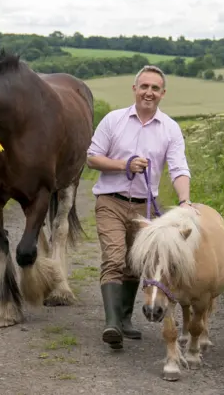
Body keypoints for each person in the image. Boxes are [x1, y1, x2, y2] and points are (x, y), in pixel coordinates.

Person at [86, 64, 193, 349]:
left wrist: (185, 201)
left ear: (163, 93)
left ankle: (124, 320)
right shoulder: (113, 120)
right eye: (144, 86)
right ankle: (111, 324)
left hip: (144, 208)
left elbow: (179, 168)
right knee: (115, 258)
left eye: (155, 88)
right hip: (111, 201)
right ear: (135, 89)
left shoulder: (170, 128)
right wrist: (125, 164)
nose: (149, 92)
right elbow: (92, 158)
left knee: (136, 264)